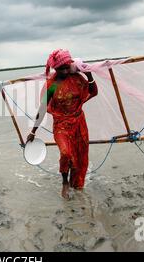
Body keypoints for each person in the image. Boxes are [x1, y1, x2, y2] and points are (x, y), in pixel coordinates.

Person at [27, 49, 98, 199]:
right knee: (66, 153)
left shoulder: (77, 78)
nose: (65, 71)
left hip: (79, 122)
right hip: (61, 125)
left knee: (79, 155)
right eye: (61, 69)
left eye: (67, 67)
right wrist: (33, 131)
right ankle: (65, 182)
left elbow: (93, 91)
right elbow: (42, 108)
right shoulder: (53, 85)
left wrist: (89, 73)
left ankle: (77, 184)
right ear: (55, 69)